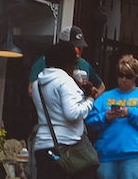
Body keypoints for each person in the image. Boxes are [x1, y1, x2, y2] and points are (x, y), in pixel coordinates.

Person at [87, 55, 138, 179]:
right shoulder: (105, 97)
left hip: (134, 155)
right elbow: (89, 121)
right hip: (107, 155)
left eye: (128, 76)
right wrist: (105, 117)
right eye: (121, 75)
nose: (124, 79)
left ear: (136, 76)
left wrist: (131, 113)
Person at [32, 41, 97, 179]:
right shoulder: (65, 81)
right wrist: (90, 99)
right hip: (67, 149)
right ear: (66, 63)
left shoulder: (38, 84)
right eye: (74, 63)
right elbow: (72, 113)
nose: (74, 68)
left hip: (43, 147)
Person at [28, 26, 104, 91]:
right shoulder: (43, 62)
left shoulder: (84, 64)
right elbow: (31, 90)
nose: (78, 52)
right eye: (75, 48)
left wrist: (90, 99)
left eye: (81, 48)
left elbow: (101, 87)